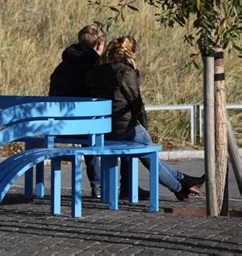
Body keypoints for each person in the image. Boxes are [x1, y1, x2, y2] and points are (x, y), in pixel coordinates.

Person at [86, 36, 205, 201]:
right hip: (124, 128)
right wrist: (144, 126)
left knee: (149, 155)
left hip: (104, 130)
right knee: (149, 154)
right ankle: (180, 187)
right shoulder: (125, 71)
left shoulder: (95, 72)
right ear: (129, 53)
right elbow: (136, 103)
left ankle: (184, 181)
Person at [49, 24, 106, 198]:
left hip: (59, 127)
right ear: (98, 45)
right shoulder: (96, 67)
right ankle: (105, 185)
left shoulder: (62, 66)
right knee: (124, 133)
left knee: (91, 129)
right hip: (84, 127)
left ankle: (99, 185)